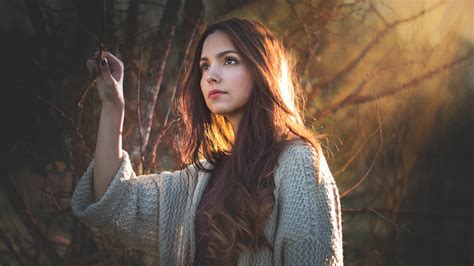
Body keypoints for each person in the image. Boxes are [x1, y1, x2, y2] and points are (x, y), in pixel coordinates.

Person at [72, 18, 343, 265]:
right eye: (205, 65)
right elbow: (114, 200)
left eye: (229, 60)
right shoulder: (201, 179)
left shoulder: (297, 161)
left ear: (262, 68)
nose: (211, 74)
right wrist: (112, 105)